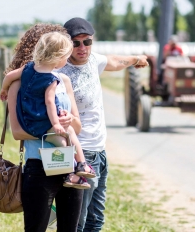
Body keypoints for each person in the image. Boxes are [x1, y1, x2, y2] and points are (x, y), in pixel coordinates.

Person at [59, 17, 149, 232]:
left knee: (96, 220)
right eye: (76, 43)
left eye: (87, 42)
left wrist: (137, 58)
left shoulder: (93, 61)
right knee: (77, 221)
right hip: (78, 153)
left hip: (99, 151)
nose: (82, 48)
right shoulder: (60, 71)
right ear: (67, 44)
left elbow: (115, 61)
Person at [5, 23, 84, 232]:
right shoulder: (19, 84)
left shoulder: (63, 80)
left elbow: (78, 126)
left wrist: (67, 121)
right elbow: (17, 132)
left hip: (68, 164)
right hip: (39, 166)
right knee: (36, 228)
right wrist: (52, 128)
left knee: (69, 228)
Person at [0, 31, 95, 189]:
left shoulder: (28, 69)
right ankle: (77, 169)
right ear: (58, 58)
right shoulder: (51, 80)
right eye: (66, 56)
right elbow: (50, 102)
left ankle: (80, 166)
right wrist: (56, 124)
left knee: (69, 134)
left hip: (31, 121)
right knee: (65, 141)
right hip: (42, 127)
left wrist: (3, 89)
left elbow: (9, 75)